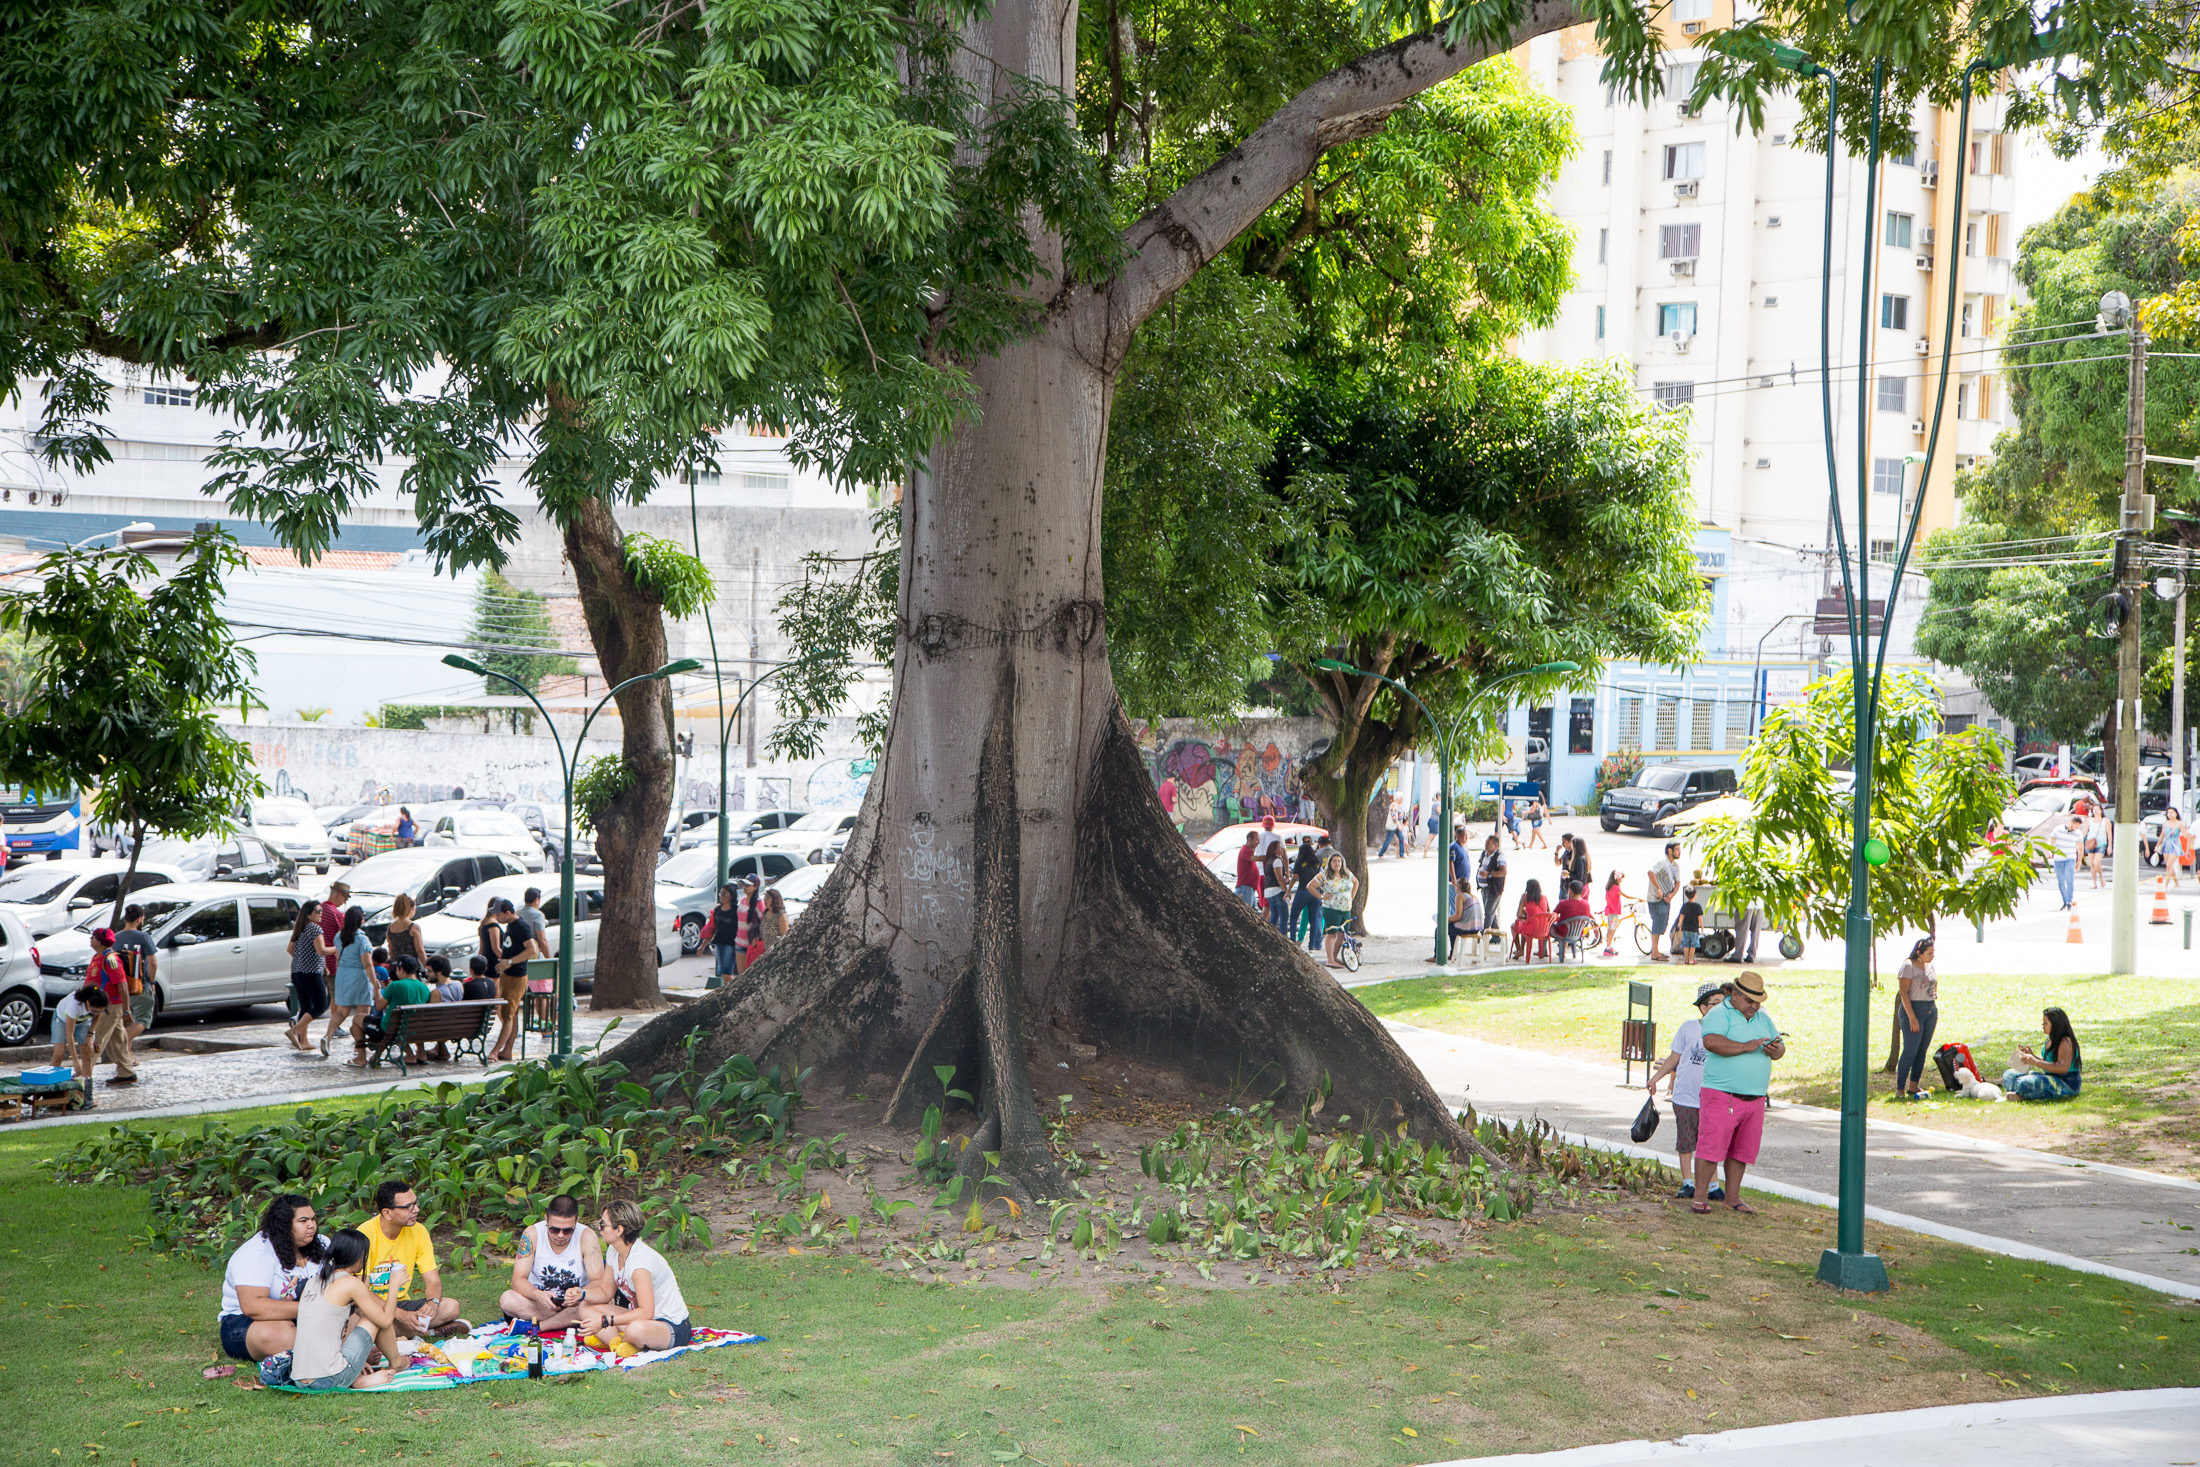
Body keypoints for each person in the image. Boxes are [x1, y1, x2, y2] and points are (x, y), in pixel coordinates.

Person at [1691, 969, 1785, 1215]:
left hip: (1754, 1097)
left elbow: (1780, 1046)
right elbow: (1711, 1042)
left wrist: (1776, 1050)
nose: (1755, 1006)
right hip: (1722, 1093)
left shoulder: (1762, 1018)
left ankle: (1733, 1197)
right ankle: (1700, 1196)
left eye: (1758, 1001)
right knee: (1711, 1147)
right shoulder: (1719, 1014)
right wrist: (1747, 1047)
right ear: (1735, 994)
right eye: (1750, 1000)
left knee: (1741, 1150)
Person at [289, 1228, 402, 1391]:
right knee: (373, 1317)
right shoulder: (351, 1283)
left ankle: (357, 1376)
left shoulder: (314, 1281)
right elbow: (384, 1320)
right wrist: (394, 1286)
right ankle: (396, 1363)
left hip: (299, 1378)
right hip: (329, 1379)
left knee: (366, 1314)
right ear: (358, 1255)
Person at [218, 1194, 325, 1364]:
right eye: (303, 1221)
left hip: (310, 1315)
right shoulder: (255, 1253)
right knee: (279, 1334)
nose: (311, 1225)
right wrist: (314, 1308)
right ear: (283, 1225)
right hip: (248, 1322)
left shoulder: (322, 1243)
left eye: (313, 1219)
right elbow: (252, 1307)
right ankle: (337, 1356)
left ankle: (338, 1354)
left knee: (357, 1317)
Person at [1646, 982, 1727, 1203]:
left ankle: (1713, 1185)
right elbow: (1675, 1057)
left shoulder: (1726, 1031)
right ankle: (1687, 1183)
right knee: (1686, 1140)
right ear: (1703, 1007)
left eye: (1723, 1003)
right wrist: (1655, 1079)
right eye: (1716, 1003)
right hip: (1685, 1096)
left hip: (1712, 1097)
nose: (1721, 1007)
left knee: (1709, 1142)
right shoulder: (1689, 1028)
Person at [582, 1199, 693, 1354]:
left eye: (603, 1225)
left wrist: (605, 1321)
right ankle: (616, 1343)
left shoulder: (639, 1263)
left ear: (619, 1230)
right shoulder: (614, 1251)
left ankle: (625, 1338)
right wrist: (581, 1294)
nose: (599, 1229)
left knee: (635, 1330)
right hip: (641, 1319)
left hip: (669, 1326)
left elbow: (647, 1312)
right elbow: (606, 1292)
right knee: (585, 1307)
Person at [361, 1179, 467, 1337]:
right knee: (365, 1322)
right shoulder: (364, 1235)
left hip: (402, 1303)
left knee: (451, 1307)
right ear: (387, 1213)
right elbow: (361, 1291)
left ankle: (395, 1334)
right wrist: (400, 1315)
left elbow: (433, 1281)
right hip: (371, 1306)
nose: (416, 1209)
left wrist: (433, 1302)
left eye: (416, 1203)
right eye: (407, 1207)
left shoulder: (419, 1231)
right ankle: (425, 1332)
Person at [500, 1194, 608, 1329]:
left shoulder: (587, 1236)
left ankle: (540, 1326)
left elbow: (599, 1282)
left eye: (568, 1230)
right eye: (554, 1229)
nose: (561, 1235)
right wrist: (537, 1294)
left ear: (576, 1222)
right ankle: (566, 1321)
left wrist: (579, 1294)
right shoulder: (532, 1234)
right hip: (541, 1304)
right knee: (507, 1299)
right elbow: (518, 1280)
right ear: (546, 1220)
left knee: (606, 1301)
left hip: (576, 1302)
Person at [86, 927, 138, 1084]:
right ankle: (126, 1072)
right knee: (118, 1040)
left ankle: (84, 1076)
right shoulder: (98, 956)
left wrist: (126, 1010)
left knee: (95, 1040)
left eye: (93, 937)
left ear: (101, 942)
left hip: (109, 1007)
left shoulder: (111, 959)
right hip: (102, 1006)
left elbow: (122, 985)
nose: (91, 939)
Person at [365, 955, 436, 1066]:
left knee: (360, 1020)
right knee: (405, 1023)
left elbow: (379, 1007)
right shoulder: (424, 988)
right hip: (416, 1030)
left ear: (401, 969)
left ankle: (362, 1056)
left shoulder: (394, 985)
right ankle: (421, 1054)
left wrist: (378, 990)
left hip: (391, 1030)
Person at [1893, 937, 1939, 1101]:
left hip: (1930, 1009)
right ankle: (1900, 1087)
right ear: (1919, 953)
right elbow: (1904, 992)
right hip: (1913, 1009)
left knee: (1922, 1049)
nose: (1932, 956)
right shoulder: (1908, 966)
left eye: (1933, 952)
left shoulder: (1929, 965)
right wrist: (1912, 1018)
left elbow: (1934, 981)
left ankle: (1914, 1085)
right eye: (1929, 953)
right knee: (1910, 1050)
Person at [286, 898, 334, 1052]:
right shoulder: (314, 929)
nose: (320, 914)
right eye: (318, 911)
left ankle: (303, 1041)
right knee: (321, 1005)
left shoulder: (300, 928)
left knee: (305, 1006)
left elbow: (290, 949)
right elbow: (321, 950)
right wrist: (337, 948)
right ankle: (295, 1030)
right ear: (309, 915)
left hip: (297, 972)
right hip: (311, 973)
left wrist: (307, 960)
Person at [2004, 1007, 2083, 1101]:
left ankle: (2021, 1094)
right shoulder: (2051, 1038)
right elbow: (2049, 1062)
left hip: (2065, 1083)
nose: (2043, 1025)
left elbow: (2063, 1068)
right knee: (2009, 1075)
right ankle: (2022, 1093)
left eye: (2046, 1023)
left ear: (2055, 1025)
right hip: (2050, 1077)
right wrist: (2032, 1056)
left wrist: (2035, 1062)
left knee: (2025, 1082)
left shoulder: (2065, 1042)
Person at [113, 904, 158, 1047]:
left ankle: (128, 1057)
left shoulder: (115, 938)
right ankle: (118, 1045)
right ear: (139, 919)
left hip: (121, 987)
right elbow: (153, 963)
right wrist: (152, 982)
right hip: (139, 986)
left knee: (127, 1021)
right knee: (143, 1020)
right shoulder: (143, 937)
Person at [1310, 853, 1357, 969]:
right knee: (1332, 934)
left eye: (1339, 861)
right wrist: (1321, 896)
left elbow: (1356, 882)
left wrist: (1351, 897)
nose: (1337, 863)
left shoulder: (1346, 873)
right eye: (1334, 861)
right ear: (1330, 863)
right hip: (1331, 909)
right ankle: (1330, 960)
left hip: (1345, 909)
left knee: (1342, 934)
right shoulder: (1324, 875)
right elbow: (1310, 886)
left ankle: (1334, 957)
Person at [48, 983, 103, 1079]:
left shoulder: (98, 1005)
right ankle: (48, 1085)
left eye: (100, 1011)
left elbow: (97, 1016)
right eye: (94, 1011)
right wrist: (75, 1060)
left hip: (83, 1021)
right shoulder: (74, 1004)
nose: (96, 1013)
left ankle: (86, 1084)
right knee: (58, 1055)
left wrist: (90, 1035)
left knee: (87, 1050)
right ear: (88, 1003)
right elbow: (69, 1034)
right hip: (62, 1021)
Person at [318, 881, 351, 1037]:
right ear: (339, 895)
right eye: (345, 898)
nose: (345, 902)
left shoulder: (318, 909)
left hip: (317, 962)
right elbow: (345, 939)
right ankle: (335, 1025)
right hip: (333, 963)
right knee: (335, 997)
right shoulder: (337, 915)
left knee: (318, 995)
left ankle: (298, 1018)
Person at [1646, 841, 1681, 963]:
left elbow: (1678, 883)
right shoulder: (1661, 861)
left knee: (1662, 924)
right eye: (1677, 849)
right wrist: (1658, 889)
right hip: (1656, 899)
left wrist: (1671, 895)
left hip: (1666, 899)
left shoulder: (1675, 866)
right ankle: (1654, 952)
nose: (1679, 852)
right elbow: (1650, 872)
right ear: (1669, 850)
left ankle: (1656, 950)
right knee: (1658, 923)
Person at [1289, 836, 1324, 951]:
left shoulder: (1299, 861)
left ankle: (1293, 940)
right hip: (1315, 893)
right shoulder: (1317, 862)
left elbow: (1295, 877)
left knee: (1294, 916)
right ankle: (1312, 945)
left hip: (1303, 890)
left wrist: (1288, 890)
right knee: (1313, 920)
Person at [384, 892, 428, 975]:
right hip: (410, 968)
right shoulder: (413, 927)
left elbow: (391, 949)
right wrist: (427, 966)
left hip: (396, 968)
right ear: (410, 909)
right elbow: (419, 950)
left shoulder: (390, 927)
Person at [709, 882, 744, 985]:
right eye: (721, 893)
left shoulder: (736, 910)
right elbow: (713, 926)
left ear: (731, 896)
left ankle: (735, 989)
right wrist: (703, 945)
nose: (722, 896)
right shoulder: (718, 909)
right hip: (720, 941)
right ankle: (727, 988)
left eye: (725, 894)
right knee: (722, 970)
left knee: (727, 972)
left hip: (731, 942)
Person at [2047, 811, 2083, 909]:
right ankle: (2065, 900)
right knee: (2061, 880)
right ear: (2071, 823)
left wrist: (2079, 861)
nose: (2076, 829)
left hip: (2070, 857)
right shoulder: (2058, 829)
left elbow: (2080, 848)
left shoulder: (2078, 833)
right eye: (2076, 826)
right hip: (2058, 858)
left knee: (2069, 879)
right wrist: (2049, 850)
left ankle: (2069, 901)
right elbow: (2051, 840)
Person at [1509, 878, 1551, 961]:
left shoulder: (1525, 897)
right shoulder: (1544, 897)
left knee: (1514, 926)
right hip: (1544, 928)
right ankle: (1539, 950)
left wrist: (1526, 915)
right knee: (1525, 925)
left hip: (1531, 928)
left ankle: (1520, 949)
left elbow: (1518, 915)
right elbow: (1548, 912)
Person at [1476, 834, 1507, 933]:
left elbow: (1503, 872)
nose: (1486, 845)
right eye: (1486, 843)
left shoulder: (1499, 856)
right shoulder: (1484, 854)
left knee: (1488, 912)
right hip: (1484, 887)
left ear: (1495, 846)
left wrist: (1489, 874)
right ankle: (1496, 935)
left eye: (1488, 843)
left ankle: (1483, 932)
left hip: (1494, 888)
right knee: (1491, 911)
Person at [1553, 879, 1593, 955]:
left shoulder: (1563, 903)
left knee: (1556, 926)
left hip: (1563, 932)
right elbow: (1588, 917)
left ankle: (1546, 951)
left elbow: (1554, 914)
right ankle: (1568, 952)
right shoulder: (1586, 905)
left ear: (1570, 891)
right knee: (1570, 925)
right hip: (1578, 932)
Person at [1260, 839, 1290, 932]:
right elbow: (1279, 877)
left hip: (1268, 891)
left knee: (1274, 915)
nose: (1282, 850)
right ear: (1274, 850)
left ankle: (1272, 934)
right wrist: (1286, 891)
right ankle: (1284, 936)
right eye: (1280, 848)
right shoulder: (1277, 860)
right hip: (1277, 890)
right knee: (1284, 916)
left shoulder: (1267, 860)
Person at [753, 888, 790, 959]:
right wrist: (757, 939)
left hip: (777, 953)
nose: (765, 900)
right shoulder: (765, 913)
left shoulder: (781, 915)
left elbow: (785, 936)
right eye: (765, 897)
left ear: (775, 899)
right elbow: (762, 931)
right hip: (765, 952)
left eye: (768, 898)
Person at [1675, 885, 1705, 966]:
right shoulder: (1697, 906)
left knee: (1686, 944)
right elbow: (1700, 918)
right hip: (1694, 928)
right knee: (1693, 945)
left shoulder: (1685, 906)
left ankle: (1686, 959)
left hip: (1686, 928)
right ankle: (1691, 960)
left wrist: (1679, 924)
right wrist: (1702, 926)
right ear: (1695, 895)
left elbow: (1681, 916)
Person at [1600, 872, 1626, 958]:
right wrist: (1638, 898)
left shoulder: (1609, 887)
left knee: (1610, 930)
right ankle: (1608, 947)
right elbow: (1625, 895)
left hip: (1609, 910)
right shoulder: (1616, 888)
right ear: (1618, 879)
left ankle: (1608, 946)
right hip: (1614, 912)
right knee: (1612, 929)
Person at [1234, 829, 1262, 908]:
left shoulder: (1250, 850)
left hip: (1250, 888)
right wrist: (1268, 857)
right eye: (1256, 840)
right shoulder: (1245, 850)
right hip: (1245, 888)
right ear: (1249, 839)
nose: (1258, 842)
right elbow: (1256, 858)